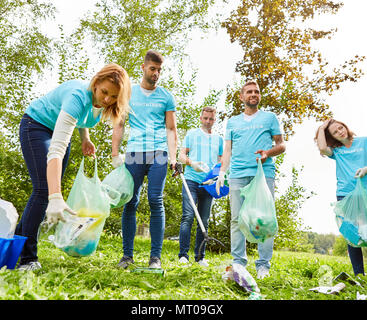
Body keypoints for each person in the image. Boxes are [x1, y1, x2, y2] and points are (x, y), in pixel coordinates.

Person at [15, 63, 131, 271]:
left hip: (58, 132)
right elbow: (56, 151)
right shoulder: (77, 96)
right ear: (95, 82)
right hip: (36, 125)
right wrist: (56, 197)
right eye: (105, 92)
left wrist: (85, 138)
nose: (107, 100)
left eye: (113, 97)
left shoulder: (100, 103)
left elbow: (82, 119)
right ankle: (27, 259)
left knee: (47, 187)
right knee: (44, 190)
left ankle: (14, 245)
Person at [114, 50, 178, 269]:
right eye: (153, 69)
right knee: (130, 201)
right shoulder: (129, 92)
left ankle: (155, 258)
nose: (156, 74)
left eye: (159, 70)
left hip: (159, 152)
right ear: (143, 67)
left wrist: (173, 157)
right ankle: (127, 256)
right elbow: (120, 124)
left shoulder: (166, 96)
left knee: (155, 200)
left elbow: (171, 129)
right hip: (134, 152)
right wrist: (115, 153)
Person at [216, 80, 285, 279]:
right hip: (237, 174)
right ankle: (238, 263)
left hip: (263, 173)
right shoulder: (232, 122)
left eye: (256, 91)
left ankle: (263, 265)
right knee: (237, 219)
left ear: (259, 96)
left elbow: (281, 145)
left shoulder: (270, 118)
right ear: (241, 97)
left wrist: (268, 153)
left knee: (264, 218)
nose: (253, 94)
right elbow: (227, 150)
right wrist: (222, 172)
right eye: (249, 92)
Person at [315, 119, 367, 281]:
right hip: (345, 195)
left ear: (345, 127)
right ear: (332, 137)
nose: (340, 132)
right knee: (352, 236)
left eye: (341, 128)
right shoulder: (336, 151)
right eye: (335, 132)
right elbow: (321, 148)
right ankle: (359, 276)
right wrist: (322, 127)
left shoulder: (365, 141)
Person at [177, 106, 223, 267]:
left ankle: (200, 257)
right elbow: (181, 155)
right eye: (205, 118)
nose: (208, 121)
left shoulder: (219, 139)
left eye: (211, 119)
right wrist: (192, 163)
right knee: (188, 216)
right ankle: (183, 255)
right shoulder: (192, 134)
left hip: (208, 184)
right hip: (191, 179)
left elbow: (223, 160)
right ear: (201, 118)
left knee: (204, 220)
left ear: (214, 120)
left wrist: (219, 174)